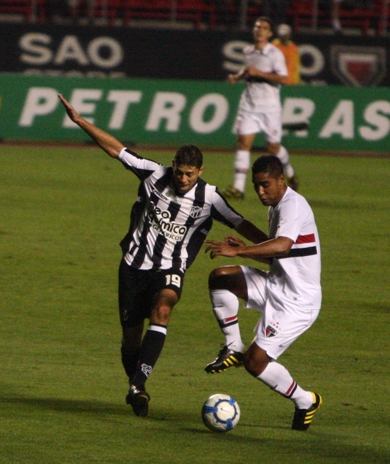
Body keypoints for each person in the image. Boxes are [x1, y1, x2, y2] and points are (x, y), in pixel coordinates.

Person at [58, 93, 269, 417]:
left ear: (200, 171)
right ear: (173, 166)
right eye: (180, 172)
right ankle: (136, 385)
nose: (184, 180)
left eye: (190, 174)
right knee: (131, 340)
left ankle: (139, 383)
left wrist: (270, 249)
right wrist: (80, 121)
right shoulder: (154, 174)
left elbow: (240, 222)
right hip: (132, 265)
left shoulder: (210, 198)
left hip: (171, 267)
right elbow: (117, 150)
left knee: (164, 307)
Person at [204, 155, 322, 430]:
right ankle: (233, 345)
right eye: (256, 185)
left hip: (297, 302)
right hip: (276, 285)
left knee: (255, 363)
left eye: (265, 185)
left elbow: (280, 247)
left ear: (281, 180)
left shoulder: (293, 206)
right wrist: (245, 244)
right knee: (221, 278)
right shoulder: (277, 206)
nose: (259, 192)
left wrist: (239, 250)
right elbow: (277, 255)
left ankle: (305, 400)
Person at [223, 16, 299, 201]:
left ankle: (290, 171)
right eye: (257, 27)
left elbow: (283, 78)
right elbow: (249, 71)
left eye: (264, 28)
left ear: (270, 33)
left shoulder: (275, 54)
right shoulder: (249, 51)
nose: (260, 30)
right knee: (243, 143)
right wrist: (238, 77)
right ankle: (238, 188)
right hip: (249, 106)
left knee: (273, 146)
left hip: (269, 108)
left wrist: (260, 74)